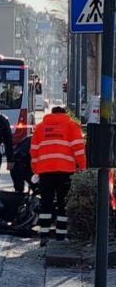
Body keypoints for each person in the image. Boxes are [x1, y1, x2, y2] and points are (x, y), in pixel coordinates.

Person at [31, 105, 86, 245]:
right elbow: (79, 149)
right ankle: (61, 236)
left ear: (52, 113)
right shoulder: (72, 126)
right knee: (63, 203)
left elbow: (34, 151)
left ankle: (44, 234)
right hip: (66, 170)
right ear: (64, 113)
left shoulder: (40, 127)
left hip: (45, 170)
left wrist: (36, 170)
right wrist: (82, 167)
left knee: (46, 202)